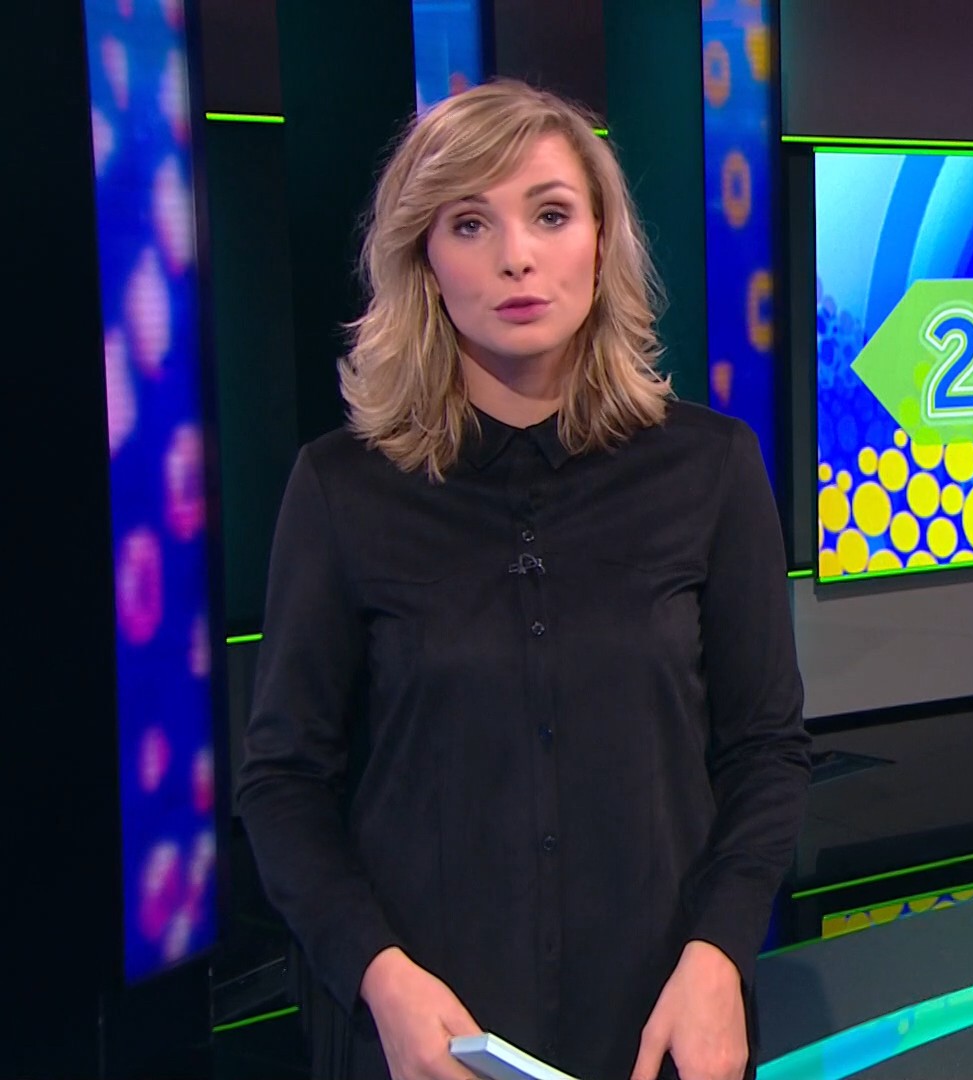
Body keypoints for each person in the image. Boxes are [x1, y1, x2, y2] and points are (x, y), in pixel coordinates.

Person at [236, 80, 811, 1080]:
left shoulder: (711, 470)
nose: (516, 256)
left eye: (550, 214)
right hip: (423, 1041)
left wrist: (721, 956)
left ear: (601, 240)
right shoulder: (341, 490)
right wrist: (379, 978)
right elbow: (282, 785)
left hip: (658, 1028)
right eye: (470, 223)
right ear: (424, 258)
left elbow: (765, 750)